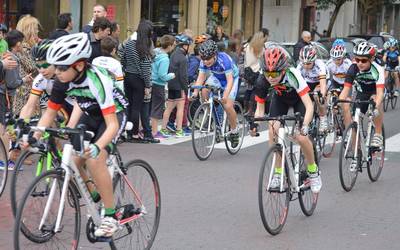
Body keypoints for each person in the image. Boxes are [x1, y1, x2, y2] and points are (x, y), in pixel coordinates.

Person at [29, 33, 127, 237]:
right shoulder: (61, 80)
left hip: (113, 115)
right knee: (74, 158)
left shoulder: (96, 80)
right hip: (90, 113)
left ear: (79, 66)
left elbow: (111, 125)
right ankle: (94, 193)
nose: (57, 72)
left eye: (62, 68)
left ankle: (111, 216)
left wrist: (98, 147)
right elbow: (50, 112)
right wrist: (33, 137)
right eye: (55, 66)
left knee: (95, 159)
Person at [251, 45, 322, 193]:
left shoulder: (293, 74)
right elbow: (260, 109)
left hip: (299, 101)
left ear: (283, 70)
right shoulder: (262, 80)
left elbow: (309, 105)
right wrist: (255, 125)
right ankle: (278, 173)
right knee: (272, 129)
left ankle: (313, 171)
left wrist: (305, 127)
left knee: (301, 138)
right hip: (281, 99)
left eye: (275, 73)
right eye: (267, 73)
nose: (271, 78)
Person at [192, 39, 240, 147]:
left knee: (227, 106)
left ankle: (234, 131)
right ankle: (209, 113)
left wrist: (225, 96)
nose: (205, 61)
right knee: (204, 90)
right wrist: (195, 92)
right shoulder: (203, 61)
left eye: (208, 58)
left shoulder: (224, 60)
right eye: (203, 58)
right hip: (217, 77)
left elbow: (230, 81)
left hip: (231, 79)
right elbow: (201, 78)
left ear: (215, 55)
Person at [339, 42, 385, 149]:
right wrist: (339, 102)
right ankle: (357, 152)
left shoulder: (377, 69)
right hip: (362, 92)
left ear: (371, 59)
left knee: (375, 104)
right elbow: (345, 90)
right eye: (357, 59)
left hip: (375, 91)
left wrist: (375, 107)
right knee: (355, 120)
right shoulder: (353, 68)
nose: (360, 63)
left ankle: (378, 134)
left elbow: (380, 93)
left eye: (363, 60)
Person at [121, 19, 158, 143]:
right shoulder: (145, 45)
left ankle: (129, 132)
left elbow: (123, 57)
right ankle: (135, 134)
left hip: (128, 77)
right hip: (139, 79)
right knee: (137, 107)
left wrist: (125, 69)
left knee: (129, 106)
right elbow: (146, 67)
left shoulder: (130, 43)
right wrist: (148, 85)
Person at [19, 39, 73, 122]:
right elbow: (29, 106)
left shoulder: (70, 75)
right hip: (62, 108)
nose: (41, 70)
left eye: (45, 65)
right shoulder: (40, 79)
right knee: (46, 107)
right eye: (38, 66)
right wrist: (20, 123)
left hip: (83, 108)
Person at [1, 30, 33, 168]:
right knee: (6, 127)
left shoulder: (7, 55)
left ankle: (9, 158)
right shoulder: (12, 58)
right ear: (18, 43)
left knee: (9, 126)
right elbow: (12, 83)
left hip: (5, 95)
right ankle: (6, 160)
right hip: (6, 96)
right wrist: (24, 80)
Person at [159, 34, 192, 138]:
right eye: (188, 45)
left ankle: (163, 129)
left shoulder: (172, 54)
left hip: (171, 84)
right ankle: (179, 130)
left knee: (168, 108)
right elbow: (183, 76)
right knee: (180, 109)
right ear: (185, 46)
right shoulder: (183, 58)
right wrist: (186, 89)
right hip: (179, 86)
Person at [297, 45, 328, 133]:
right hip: (308, 82)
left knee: (317, 95)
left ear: (314, 60)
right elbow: (297, 84)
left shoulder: (320, 65)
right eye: (303, 63)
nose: (305, 65)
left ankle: (323, 118)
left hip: (319, 82)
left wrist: (322, 95)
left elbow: (322, 84)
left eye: (309, 63)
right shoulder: (299, 66)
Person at [14, 14, 40, 116]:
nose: (38, 32)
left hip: (24, 92)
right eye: (36, 29)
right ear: (29, 31)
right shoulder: (24, 48)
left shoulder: (22, 47)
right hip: (25, 94)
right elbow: (33, 67)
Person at [150, 35, 176, 139]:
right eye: (173, 44)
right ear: (169, 46)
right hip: (158, 84)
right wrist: (172, 75)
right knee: (157, 108)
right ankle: (155, 131)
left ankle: (146, 128)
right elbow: (162, 75)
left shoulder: (155, 51)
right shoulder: (165, 58)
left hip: (150, 82)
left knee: (149, 108)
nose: (174, 46)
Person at [243, 31, 267, 116]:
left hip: (248, 71)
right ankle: (252, 110)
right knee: (255, 91)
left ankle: (246, 109)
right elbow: (264, 61)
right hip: (257, 72)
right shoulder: (261, 48)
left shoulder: (248, 47)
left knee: (248, 90)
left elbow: (246, 60)